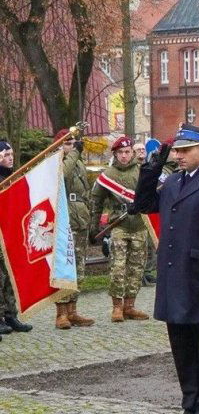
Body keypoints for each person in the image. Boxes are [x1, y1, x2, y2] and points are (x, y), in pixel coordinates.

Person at [131, 123, 199, 414]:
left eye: (185, 150)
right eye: (176, 150)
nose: (178, 155)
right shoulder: (172, 182)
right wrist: (151, 170)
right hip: (174, 277)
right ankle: (190, 403)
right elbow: (143, 204)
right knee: (181, 349)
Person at [89, 136, 151, 322]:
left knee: (136, 267)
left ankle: (130, 305)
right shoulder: (107, 175)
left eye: (127, 152)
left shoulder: (142, 172)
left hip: (139, 225)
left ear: (132, 153)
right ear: (115, 154)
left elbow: (151, 196)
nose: (124, 156)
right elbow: (96, 202)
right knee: (117, 267)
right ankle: (117, 306)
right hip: (118, 226)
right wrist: (94, 227)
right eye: (120, 153)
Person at [54, 130, 96, 329]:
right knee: (65, 266)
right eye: (67, 143)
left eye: (73, 143)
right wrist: (73, 153)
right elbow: (63, 174)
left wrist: (90, 218)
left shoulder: (77, 162)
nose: (71, 146)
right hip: (65, 220)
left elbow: (86, 191)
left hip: (80, 219)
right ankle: (61, 312)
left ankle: (73, 310)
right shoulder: (56, 162)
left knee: (79, 267)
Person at [0, 140, 31, 337]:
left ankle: (11, 314)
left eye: (11, 154)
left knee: (9, 275)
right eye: (6, 154)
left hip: (10, 231)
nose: (10, 158)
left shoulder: (11, 177)